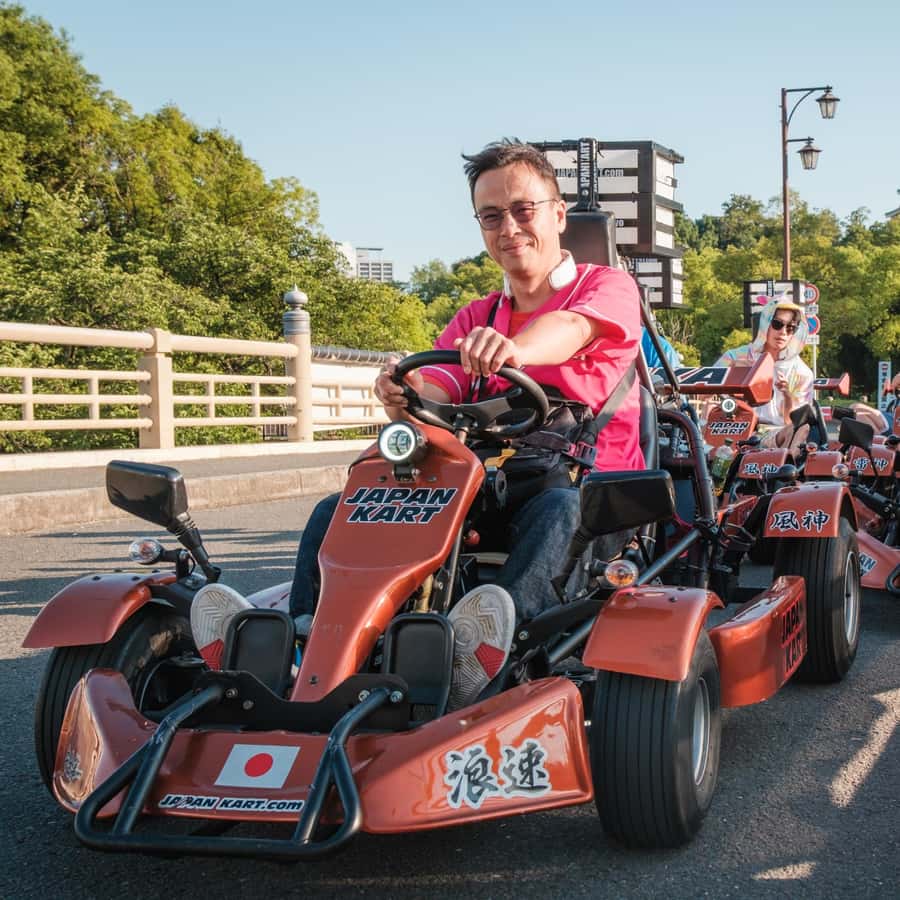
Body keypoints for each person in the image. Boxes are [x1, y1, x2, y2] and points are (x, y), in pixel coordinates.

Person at [191, 139, 643, 709]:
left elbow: (573, 329)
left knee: (559, 509)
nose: (509, 228)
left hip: (586, 483)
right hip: (489, 478)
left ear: (557, 214)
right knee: (340, 508)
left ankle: (488, 654)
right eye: (491, 216)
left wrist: (515, 350)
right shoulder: (477, 315)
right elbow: (438, 385)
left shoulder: (606, 287)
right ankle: (301, 645)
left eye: (523, 210)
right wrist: (401, 393)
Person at [714, 296, 813, 448]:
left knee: (801, 428)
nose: (783, 332)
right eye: (777, 324)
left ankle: (786, 463)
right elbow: (704, 394)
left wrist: (787, 395)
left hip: (774, 434)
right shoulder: (735, 357)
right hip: (733, 428)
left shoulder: (802, 372)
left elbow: (791, 422)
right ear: (765, 323)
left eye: (790, 328)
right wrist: (733, 374)